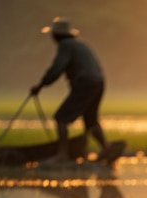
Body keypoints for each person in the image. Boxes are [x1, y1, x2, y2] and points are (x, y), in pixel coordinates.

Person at [30, 17, 109, 164]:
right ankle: (106, 148)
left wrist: (40, 86)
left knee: (61, 118)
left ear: (56, 35)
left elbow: (57, 68)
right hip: (98, 82)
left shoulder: (65, 46)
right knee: (90, 119)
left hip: (85, 83)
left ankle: (62, 155)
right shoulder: (80, 44)